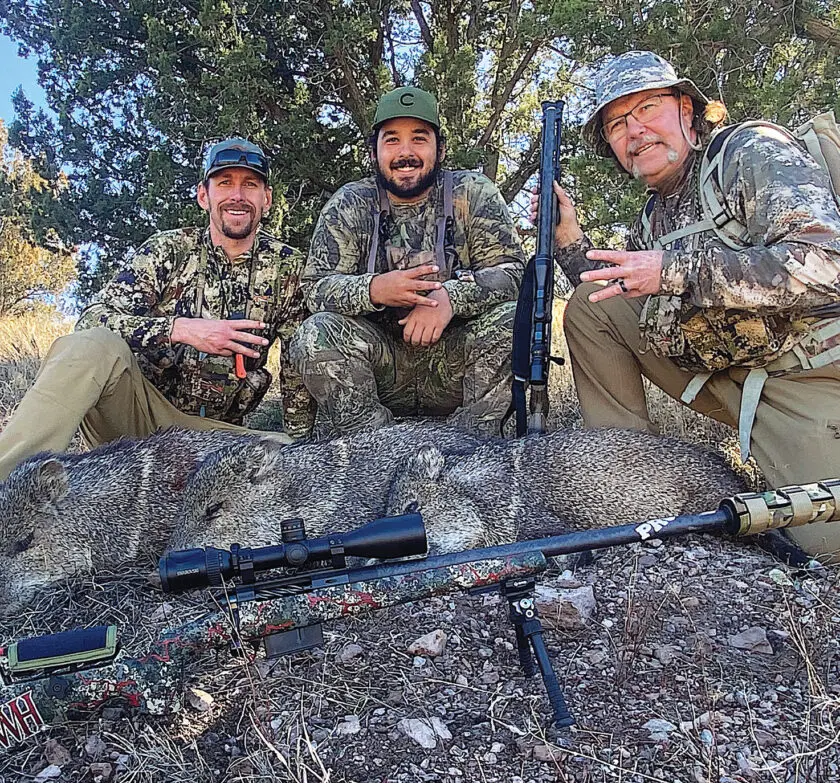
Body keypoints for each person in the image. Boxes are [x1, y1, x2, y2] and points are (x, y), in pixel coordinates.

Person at [540, 51, 840, 560]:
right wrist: (570, 244)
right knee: (590, 305)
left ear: (687, 109)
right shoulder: (653, 216)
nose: (633, 132)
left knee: (827, 551)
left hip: (803, 373)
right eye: (616, 124)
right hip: (724, 371)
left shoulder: (751, 150)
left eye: (647, 109)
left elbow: (826, 263)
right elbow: (614, 304)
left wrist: (674, 271)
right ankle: (627, 478)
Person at [0, 138, 308, 480]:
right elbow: (92, 318)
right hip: (138, 419)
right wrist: (181, 330)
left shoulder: (289, 268)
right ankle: (8, 482)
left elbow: (297, 367)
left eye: (249, 184)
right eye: (225, 183)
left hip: (214, 440)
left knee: (290, 454)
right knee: (89, 345)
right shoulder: (168, 250)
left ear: (266, 199)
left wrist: (303, 438)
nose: (237, 195)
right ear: (204, 196)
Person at [289, 86, 525, 437]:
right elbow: (316, 287)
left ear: (440, 149)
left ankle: (474, 451)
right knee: (316, 332)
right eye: (392, 140)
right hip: (381, 365)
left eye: (419, 138)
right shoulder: (350, 203)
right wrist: (374, 290)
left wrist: (449, 299)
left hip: (454, 361)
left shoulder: (473, 193)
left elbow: (514, 272)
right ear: (374, 152)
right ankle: (369, 450)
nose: (405, 152)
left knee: (513, 322)